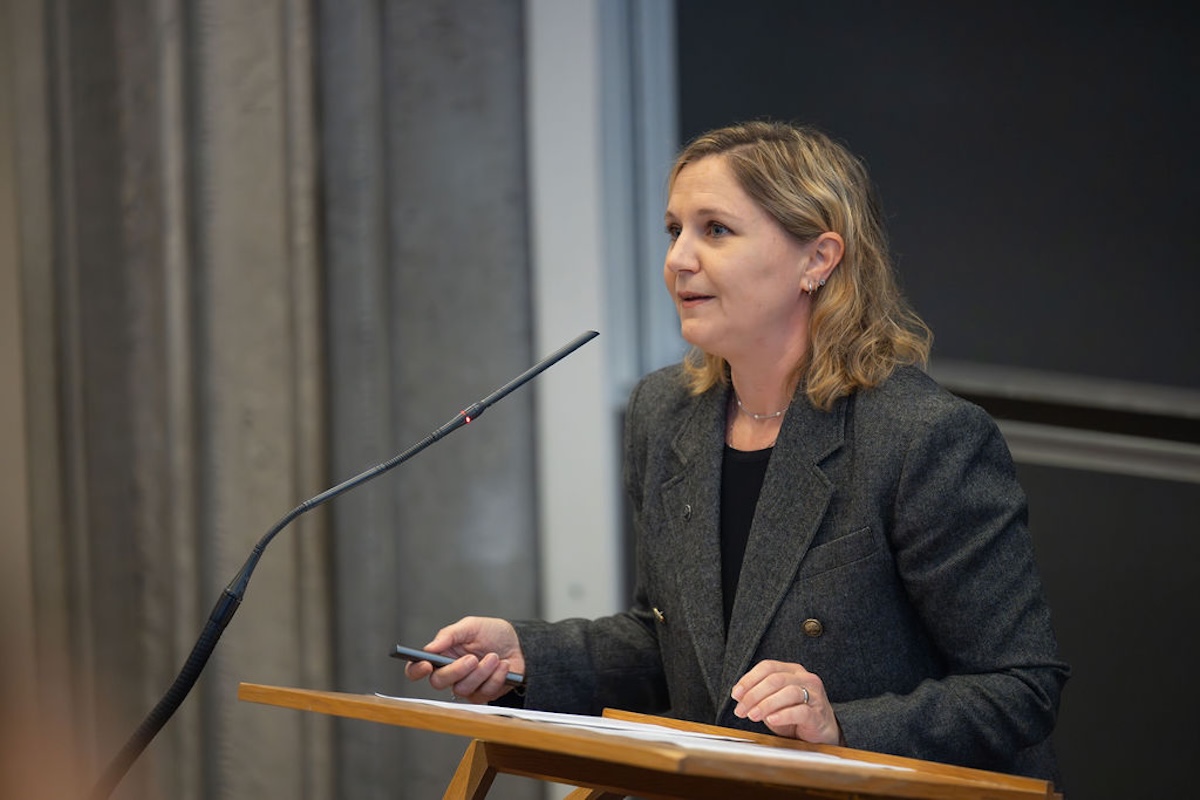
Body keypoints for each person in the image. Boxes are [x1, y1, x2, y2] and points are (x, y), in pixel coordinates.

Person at [405, 120, 1069, 781]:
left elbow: (1019, 687)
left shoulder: (922, 436)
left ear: (818, 259)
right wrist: (527, 657)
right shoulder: (665, 413)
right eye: (674, 230)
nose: (678, 259)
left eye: (715, 230)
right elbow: (670, 644)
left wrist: (842, 726)